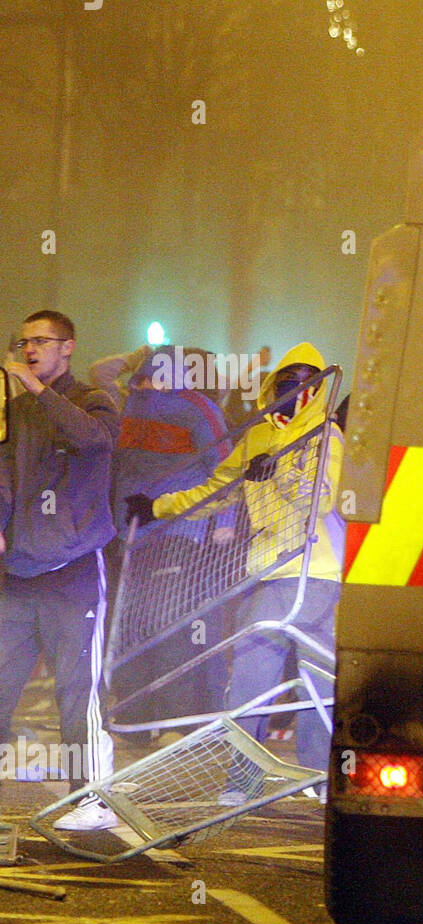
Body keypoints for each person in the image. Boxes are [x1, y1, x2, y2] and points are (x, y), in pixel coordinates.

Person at [129, 344, 342, 800]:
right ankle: (241, 780)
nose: (297, 388)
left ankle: (321, 778)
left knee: (318, 684)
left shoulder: (327, 437)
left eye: (307, 379)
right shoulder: (258, 437)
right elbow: (217, 489)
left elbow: (319, 501)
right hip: (264, 574)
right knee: (249, 684)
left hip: (316, 576)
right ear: (274, 385)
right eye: (289, 378)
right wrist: (158, 507)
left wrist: (279, 470)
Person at [0, 311, 121, 830]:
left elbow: (95, 443)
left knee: (76, 689)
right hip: (18, 571)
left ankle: (91, 797)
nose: (30, 350)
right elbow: (5, 471)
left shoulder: (90, 401)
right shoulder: (17, 410)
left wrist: (36, 390)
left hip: (72, 570)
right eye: (23, 342)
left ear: (67, 347)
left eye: (41, 342)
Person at [108, 346, 234, 727]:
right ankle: (135, 718)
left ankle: (175, 720)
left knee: (168, 627)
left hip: (177, 532)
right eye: (147, 373)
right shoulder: (130, 403)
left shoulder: (197, 408)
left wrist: (224, 520)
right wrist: (136, 355)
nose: (152, 381)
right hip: (127, 537)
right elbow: (103, 371)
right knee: (130, 626)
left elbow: (224, 465)